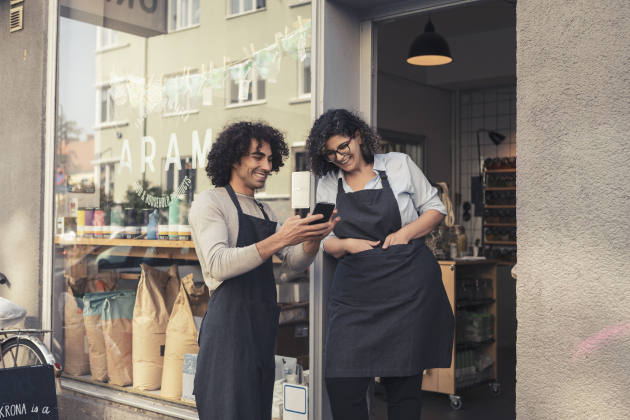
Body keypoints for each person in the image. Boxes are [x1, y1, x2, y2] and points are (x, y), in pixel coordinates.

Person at [306, 109, 455, 420]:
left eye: (342, 147)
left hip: (407, 288)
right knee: (341, 384)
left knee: (403, 389)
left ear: (358, 136)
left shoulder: (398, 164)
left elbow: (435, 208)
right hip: (355, 294)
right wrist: (344, 244)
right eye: (330, 153)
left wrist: (404, 234)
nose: (338, 157)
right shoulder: (328, 184)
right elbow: (324, 240)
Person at [189, 121, 338, 420]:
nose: (266, 166)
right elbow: (218, 263)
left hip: (259, 333)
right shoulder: (211, 202)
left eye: (270, 159)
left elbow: (294, 261)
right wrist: (280, 238)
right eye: (258, 157)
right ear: (234, 158)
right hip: (227, 333)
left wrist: (312, 240)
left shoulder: (265, 211)